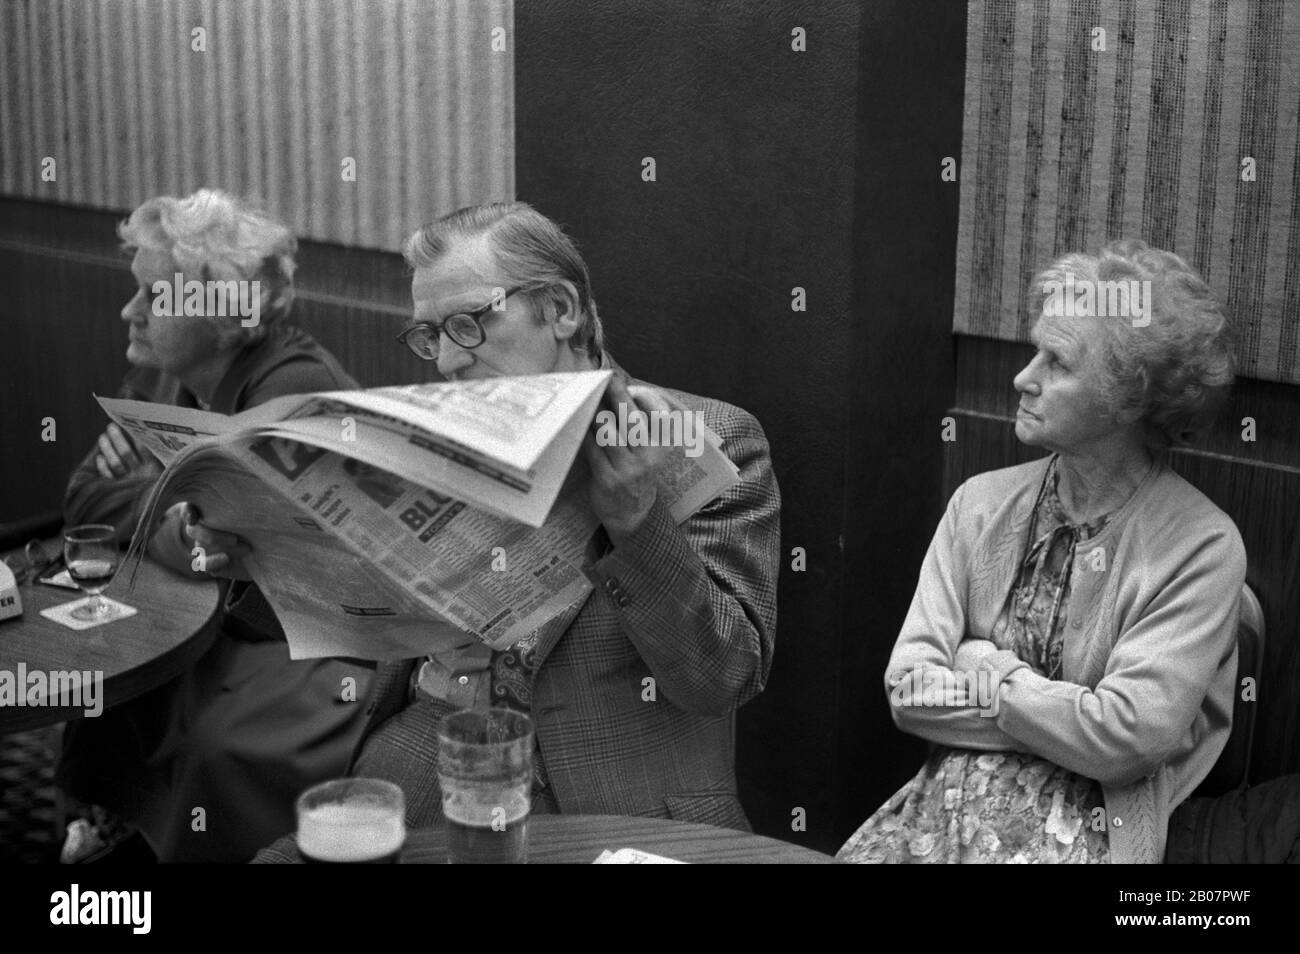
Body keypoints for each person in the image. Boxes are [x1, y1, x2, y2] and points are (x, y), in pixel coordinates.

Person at [252, 201, 780, 860]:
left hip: (622, 795)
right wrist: (254, 545)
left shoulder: (706, 437)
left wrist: (638, 523)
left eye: (468, 323)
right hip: (434, 754)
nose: (445, 361)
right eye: (429, 334)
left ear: (560, 308)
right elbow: (358, 618)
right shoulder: (429, 435)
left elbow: (722, 676)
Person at [839, 239, 1244, 864]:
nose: (1022, 378)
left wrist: (988, 671)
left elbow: (1126, 738)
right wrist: (1062, 721)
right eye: (1036, 351)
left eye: (1057, 361)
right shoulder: (980, 504)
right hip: (936, 811)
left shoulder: (1202, 547)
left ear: (1128, 397)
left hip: (1087, 833)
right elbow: (908, 691)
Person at [57, 188, 373, 863]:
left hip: (321, 641)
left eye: (151, 296)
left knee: (212, 733)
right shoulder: (170, 373)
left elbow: (220, 547)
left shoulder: (291, 385)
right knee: (104, 674)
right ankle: (130, 838)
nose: (129, 312)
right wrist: (171, 509)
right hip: (223, 618)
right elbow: (84, 498)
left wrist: (169, 510)